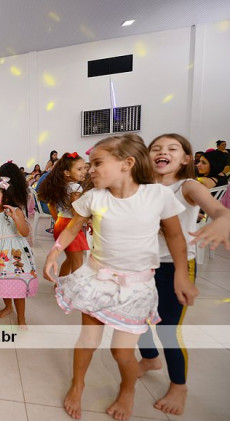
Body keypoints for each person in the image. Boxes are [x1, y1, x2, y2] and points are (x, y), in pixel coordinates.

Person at [43, 134, 197, 421]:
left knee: (121, 352)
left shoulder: (157, 195)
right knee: (88, 340)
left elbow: (176, 236)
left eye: (97, 163)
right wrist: (54, 252)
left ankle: (127, 390)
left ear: (127, 163)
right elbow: (73, 227)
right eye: (89, 164)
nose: (90, 170)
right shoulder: (94, 197)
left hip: (136, 288)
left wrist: (181, 273)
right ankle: (78, 384)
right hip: (97, 279)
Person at [138, 134, 229, 415]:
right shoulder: (143, 187)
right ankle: (150, 358)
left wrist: (224, 220)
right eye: (156, 148)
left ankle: (179, 385)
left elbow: (218, 210)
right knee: (136, 319)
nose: (162, 152)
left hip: (174, 267)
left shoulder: (188, 186)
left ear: (186, 158)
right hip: (142, 265)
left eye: (172, 148)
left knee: (167, 329)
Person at [0, 164, 38, 328]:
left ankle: (21, 318)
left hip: (16, 253)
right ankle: (8, 307)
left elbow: (25, 232)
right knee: (3, 282)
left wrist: (16, 218)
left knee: (17, 286)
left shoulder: (15, 211)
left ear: (5, 197)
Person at [38, 152, 89, 276]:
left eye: (84, 168)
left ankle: (59, 285)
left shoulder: (62, 186)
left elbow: (51, 206)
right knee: (78, 262)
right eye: (79, 169)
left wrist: (58, 220)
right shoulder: (76, 188)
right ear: (67, 172)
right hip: (71, 225)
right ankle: (75, 287)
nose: (84, 172)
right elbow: (76, 211)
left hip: (60, 223)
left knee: (70, 260)